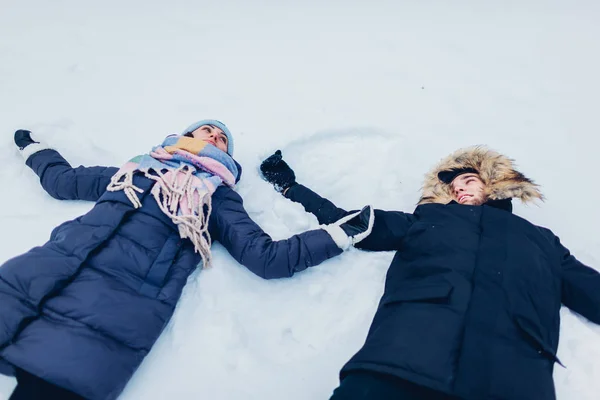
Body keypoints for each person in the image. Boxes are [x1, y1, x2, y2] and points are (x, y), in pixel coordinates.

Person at [0, 121, 375, 400]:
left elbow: (266, 257)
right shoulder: (136, 170)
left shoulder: (218, 198)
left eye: (221, 138)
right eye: (207, 130)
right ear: (184, 136)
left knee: (45, 387)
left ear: (226, 156)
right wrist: (35, 150)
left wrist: (337, 234)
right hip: (44, 271)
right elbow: (62, 182)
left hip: (112, 308)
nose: (213, 136)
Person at [260, 146, 600, 400]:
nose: (459, 189)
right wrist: (291, 187)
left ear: (495, 184)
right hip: (396, 366)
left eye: (468, 180)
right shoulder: (426, 221)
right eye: (453, 188)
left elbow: (589, 289)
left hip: (511, 377)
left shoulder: (540, 240)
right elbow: (350, 221)